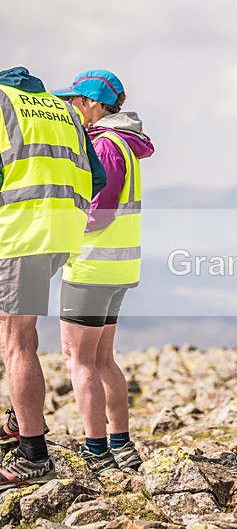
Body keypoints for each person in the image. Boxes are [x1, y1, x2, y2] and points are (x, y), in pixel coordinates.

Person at [0, 66, 106, 489]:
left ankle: (33, 453)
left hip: (21, 231)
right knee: (12, 335)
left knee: (17, 341)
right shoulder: (61, 110)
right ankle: (18, 417)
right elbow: (96, 177)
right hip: (59, 233)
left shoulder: (3, 103)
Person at [52, 70, 153, 473]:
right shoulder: (124, 143)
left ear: (92, 103)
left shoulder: (106, 145)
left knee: (78, 360)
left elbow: (101, 209)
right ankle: (121, 446)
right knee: (103, 358)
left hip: (93, 264)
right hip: (120, 265)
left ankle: (97, 450)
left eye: (75, 101)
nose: (72, 109)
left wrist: (64, 231)